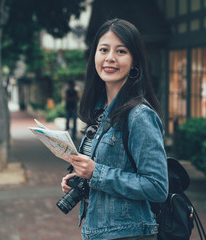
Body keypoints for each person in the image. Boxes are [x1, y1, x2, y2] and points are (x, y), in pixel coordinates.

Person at [61, 18, 168, 240]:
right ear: (95, 57)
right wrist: (78, 178)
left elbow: (157, 186)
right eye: (103, 50)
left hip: (129, 234)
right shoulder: (100, 112)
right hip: (97, 231)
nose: (110, 58)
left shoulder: (140, 115)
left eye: (121, 51)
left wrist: (95, 173)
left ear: (134, 60)